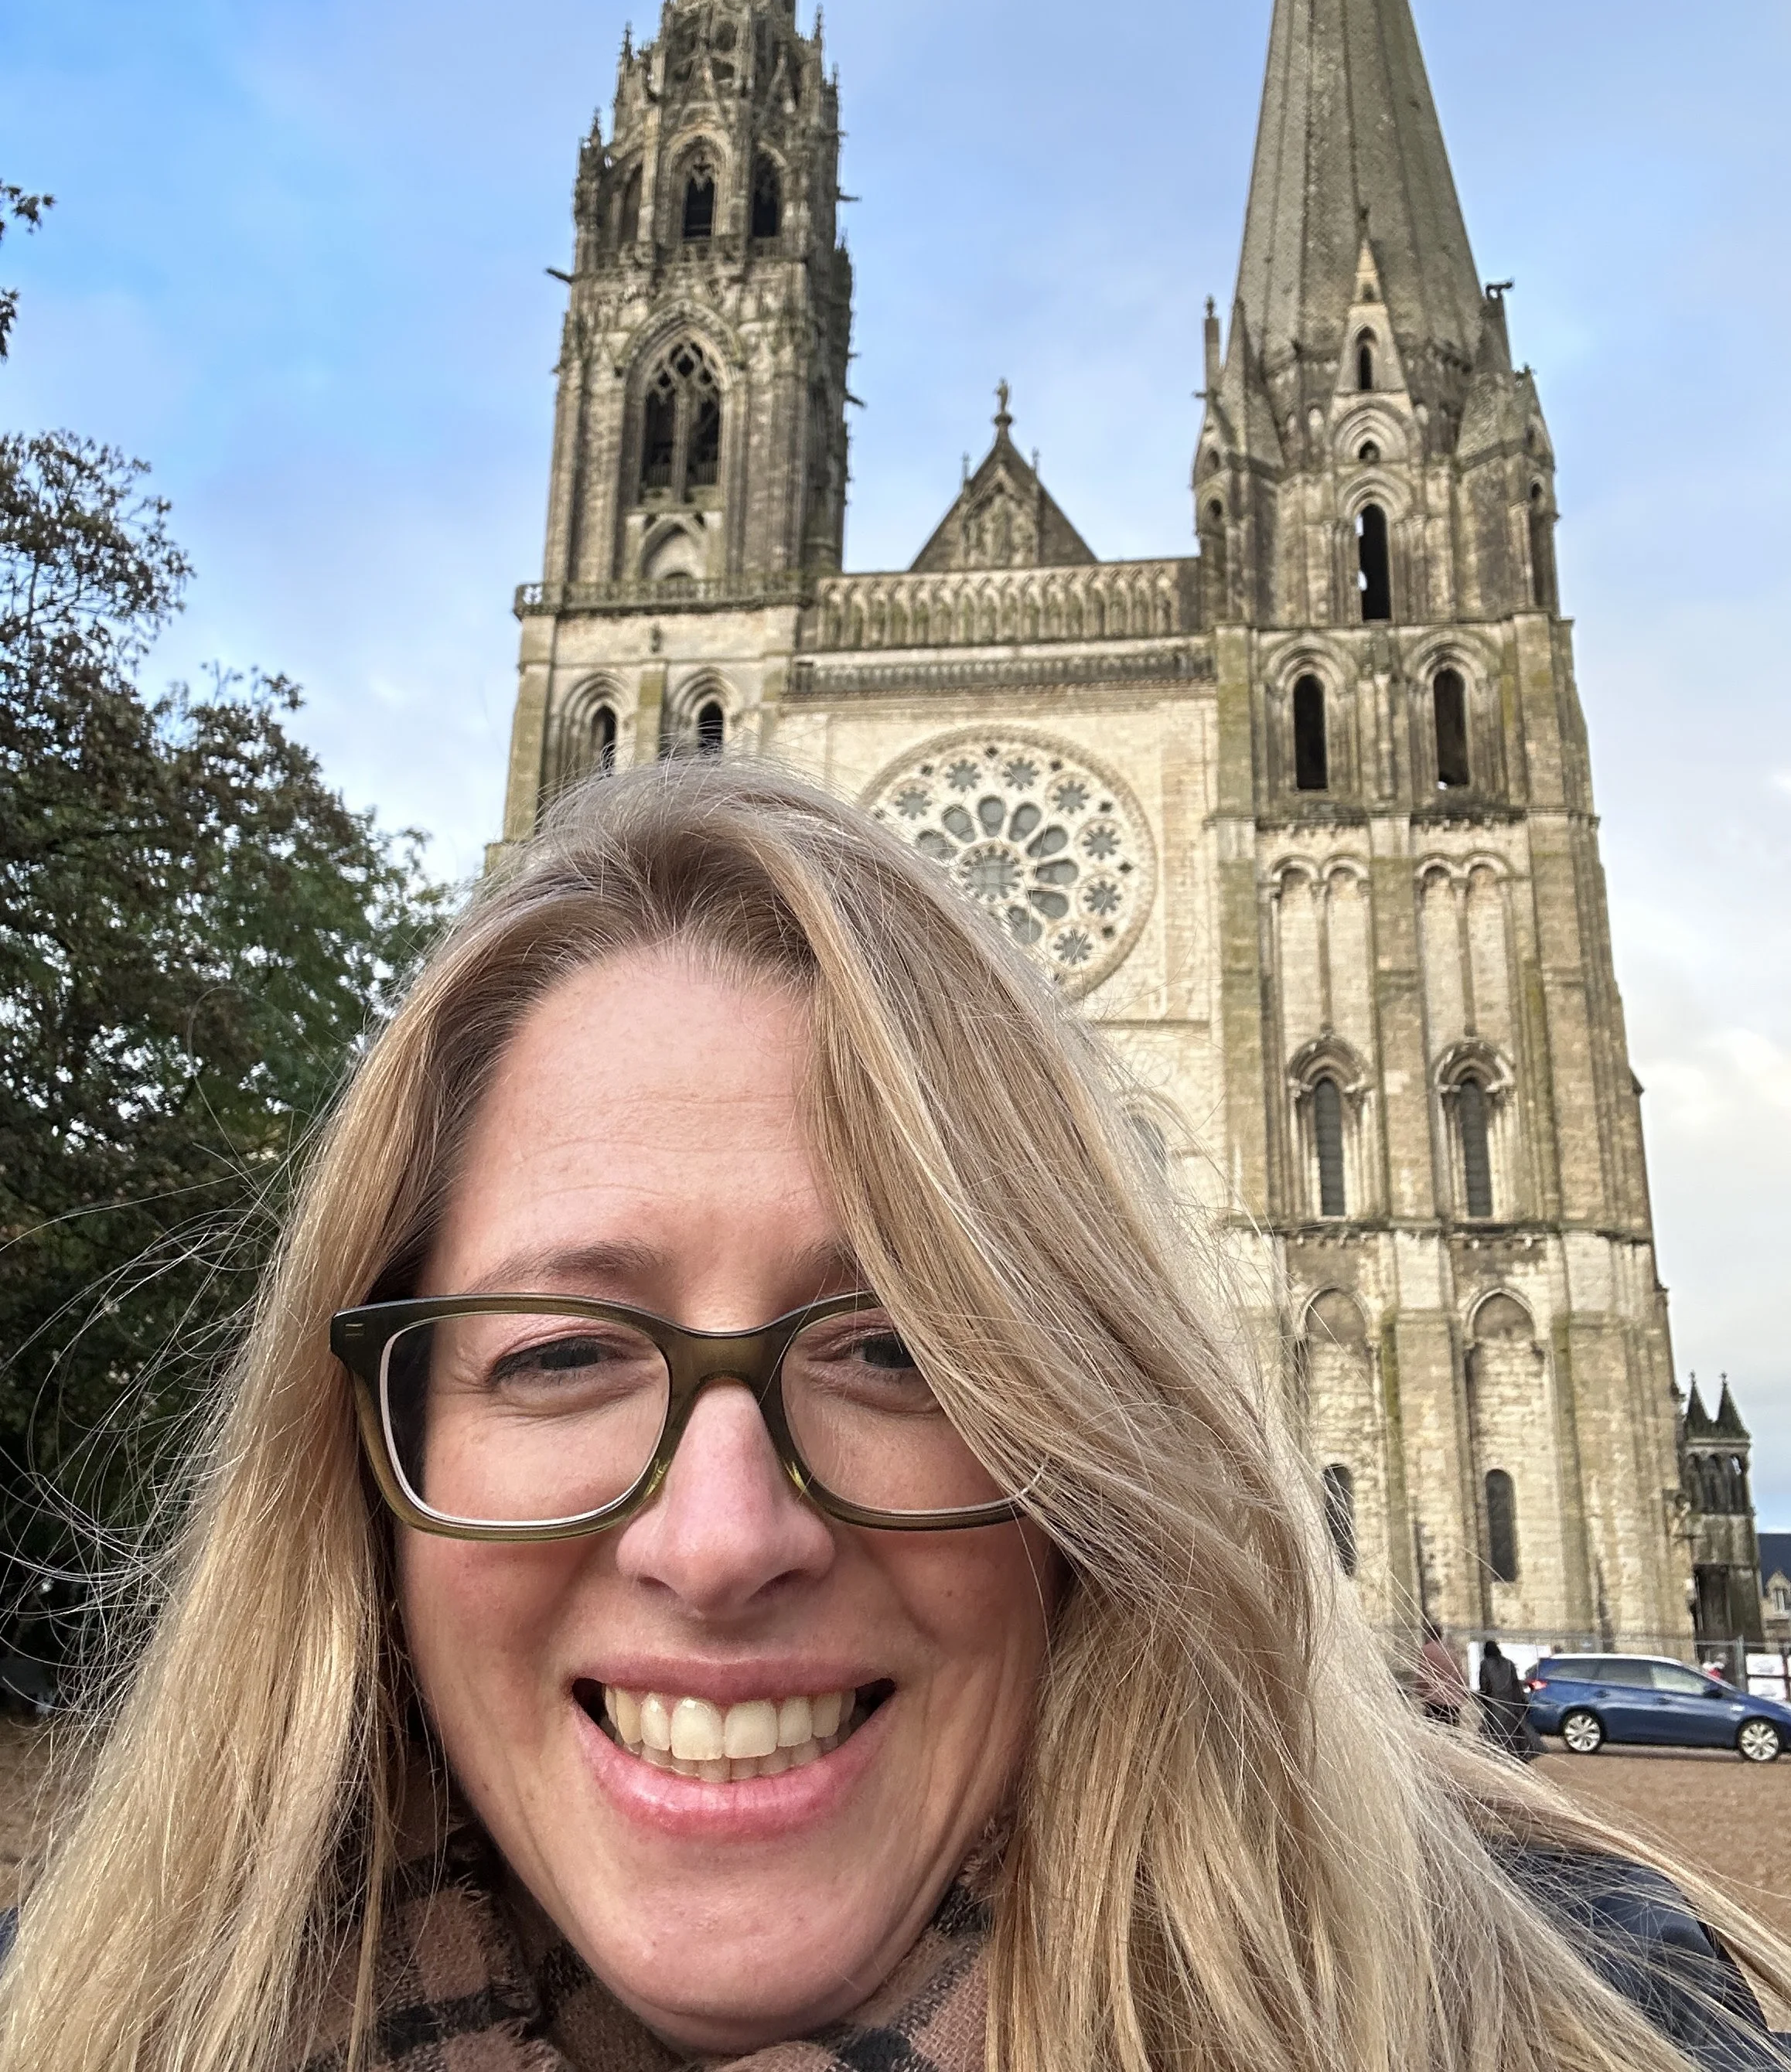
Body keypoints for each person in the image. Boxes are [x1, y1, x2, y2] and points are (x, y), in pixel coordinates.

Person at [2, 761, 1788, 2072]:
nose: (719, 1538)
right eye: (554, 1352)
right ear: (364, 1470)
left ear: (1100, 1432)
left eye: (901, 1349)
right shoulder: (76, 2008)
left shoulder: (1566, 2015)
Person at [1479, 1639, 1533, 1757]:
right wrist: (1523, 1703)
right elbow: (1516, 1686)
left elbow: (1484, 1685)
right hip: (1511, 1703)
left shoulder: (1485, 1664)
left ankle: (1498, 1754)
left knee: (1496, 1731)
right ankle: (1515, 1754)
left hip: (1495, 1703)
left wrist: (1484, 1701)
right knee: (1512, 1731)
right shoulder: (1509, 1664)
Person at [1414, 1617, 1471, 1727]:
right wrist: (1463, 1693)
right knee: (1452, 1732)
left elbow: (1423, 1677)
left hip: (1435, 1701)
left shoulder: (1426, 1650)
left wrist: (1420, 1693)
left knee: (1436, 1732)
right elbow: (1460, 1674)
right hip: (1454, 1701)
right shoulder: (1450, 1650)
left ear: (1427, 1635)